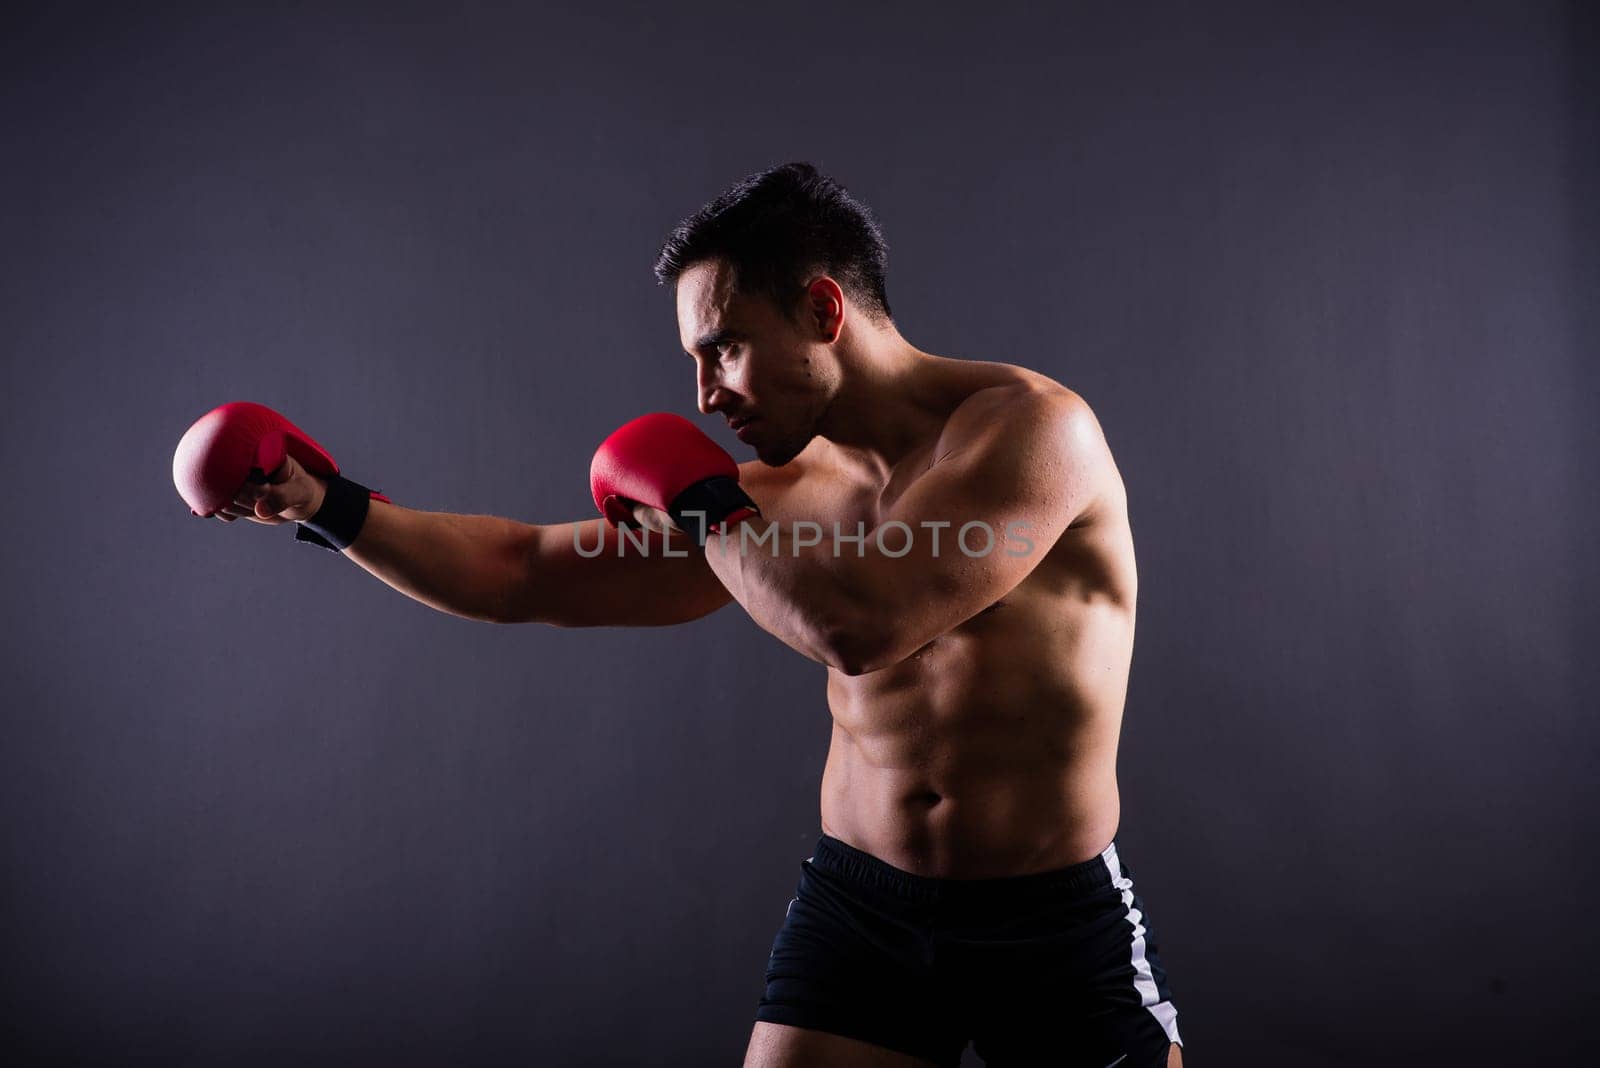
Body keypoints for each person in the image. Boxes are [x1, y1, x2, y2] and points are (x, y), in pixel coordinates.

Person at [211, 162, 1185, 1067]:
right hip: (863, 911)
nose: (703, 393)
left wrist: (708, 503)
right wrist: (324, 505)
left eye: (722, 348)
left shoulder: (1032, 432)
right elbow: (523, 573)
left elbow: (867, 623)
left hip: (1046, 924)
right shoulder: (774, 498)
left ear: (822, 308)